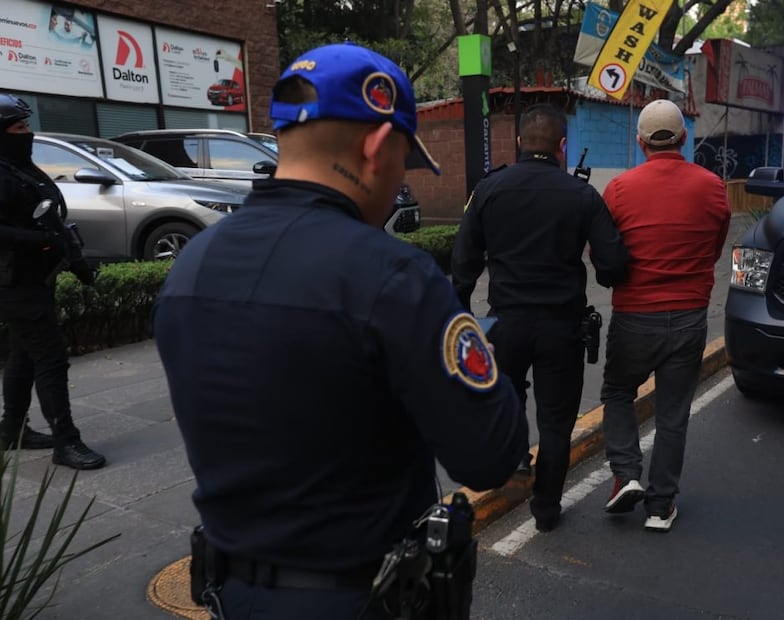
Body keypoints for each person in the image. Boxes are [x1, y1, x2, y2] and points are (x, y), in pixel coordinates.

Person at [153, 42, 528, 619]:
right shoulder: (393, 276)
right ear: (378, 146)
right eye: (405, 160)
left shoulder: (191, 264)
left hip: (232, 596)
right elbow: (490, 456)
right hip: (361, 598)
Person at [452, 102, 629, 533]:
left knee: (507, 402)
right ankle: (546, 511)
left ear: (518, 143)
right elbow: (614, 265)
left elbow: (462, 265)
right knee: (555, 421)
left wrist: (459, 319)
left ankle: (515, 465)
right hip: (560, 327)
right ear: (562, 146)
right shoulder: (582, 195)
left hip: (505, 323)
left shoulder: (490, 190)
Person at [599, 99, 730, 532]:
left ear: (640, 143)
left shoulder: (618, 189)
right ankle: (660, 507)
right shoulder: (712, 186)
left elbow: (605, 253)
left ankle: (625, 473)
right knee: (672, 412)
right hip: (690, 315)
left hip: (634, 315)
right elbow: (714, 247)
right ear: (684, 137)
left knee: (618, 392)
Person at [0, 93, 104, 470]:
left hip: (34, 279)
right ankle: (66, 441)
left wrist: (76, 262)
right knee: (50, 358)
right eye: (19, 127)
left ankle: (12, 429)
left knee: (23, 354)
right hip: (15, 284)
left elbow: (52, 223)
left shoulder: (20, 167)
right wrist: (40, 241)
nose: (27, 132)